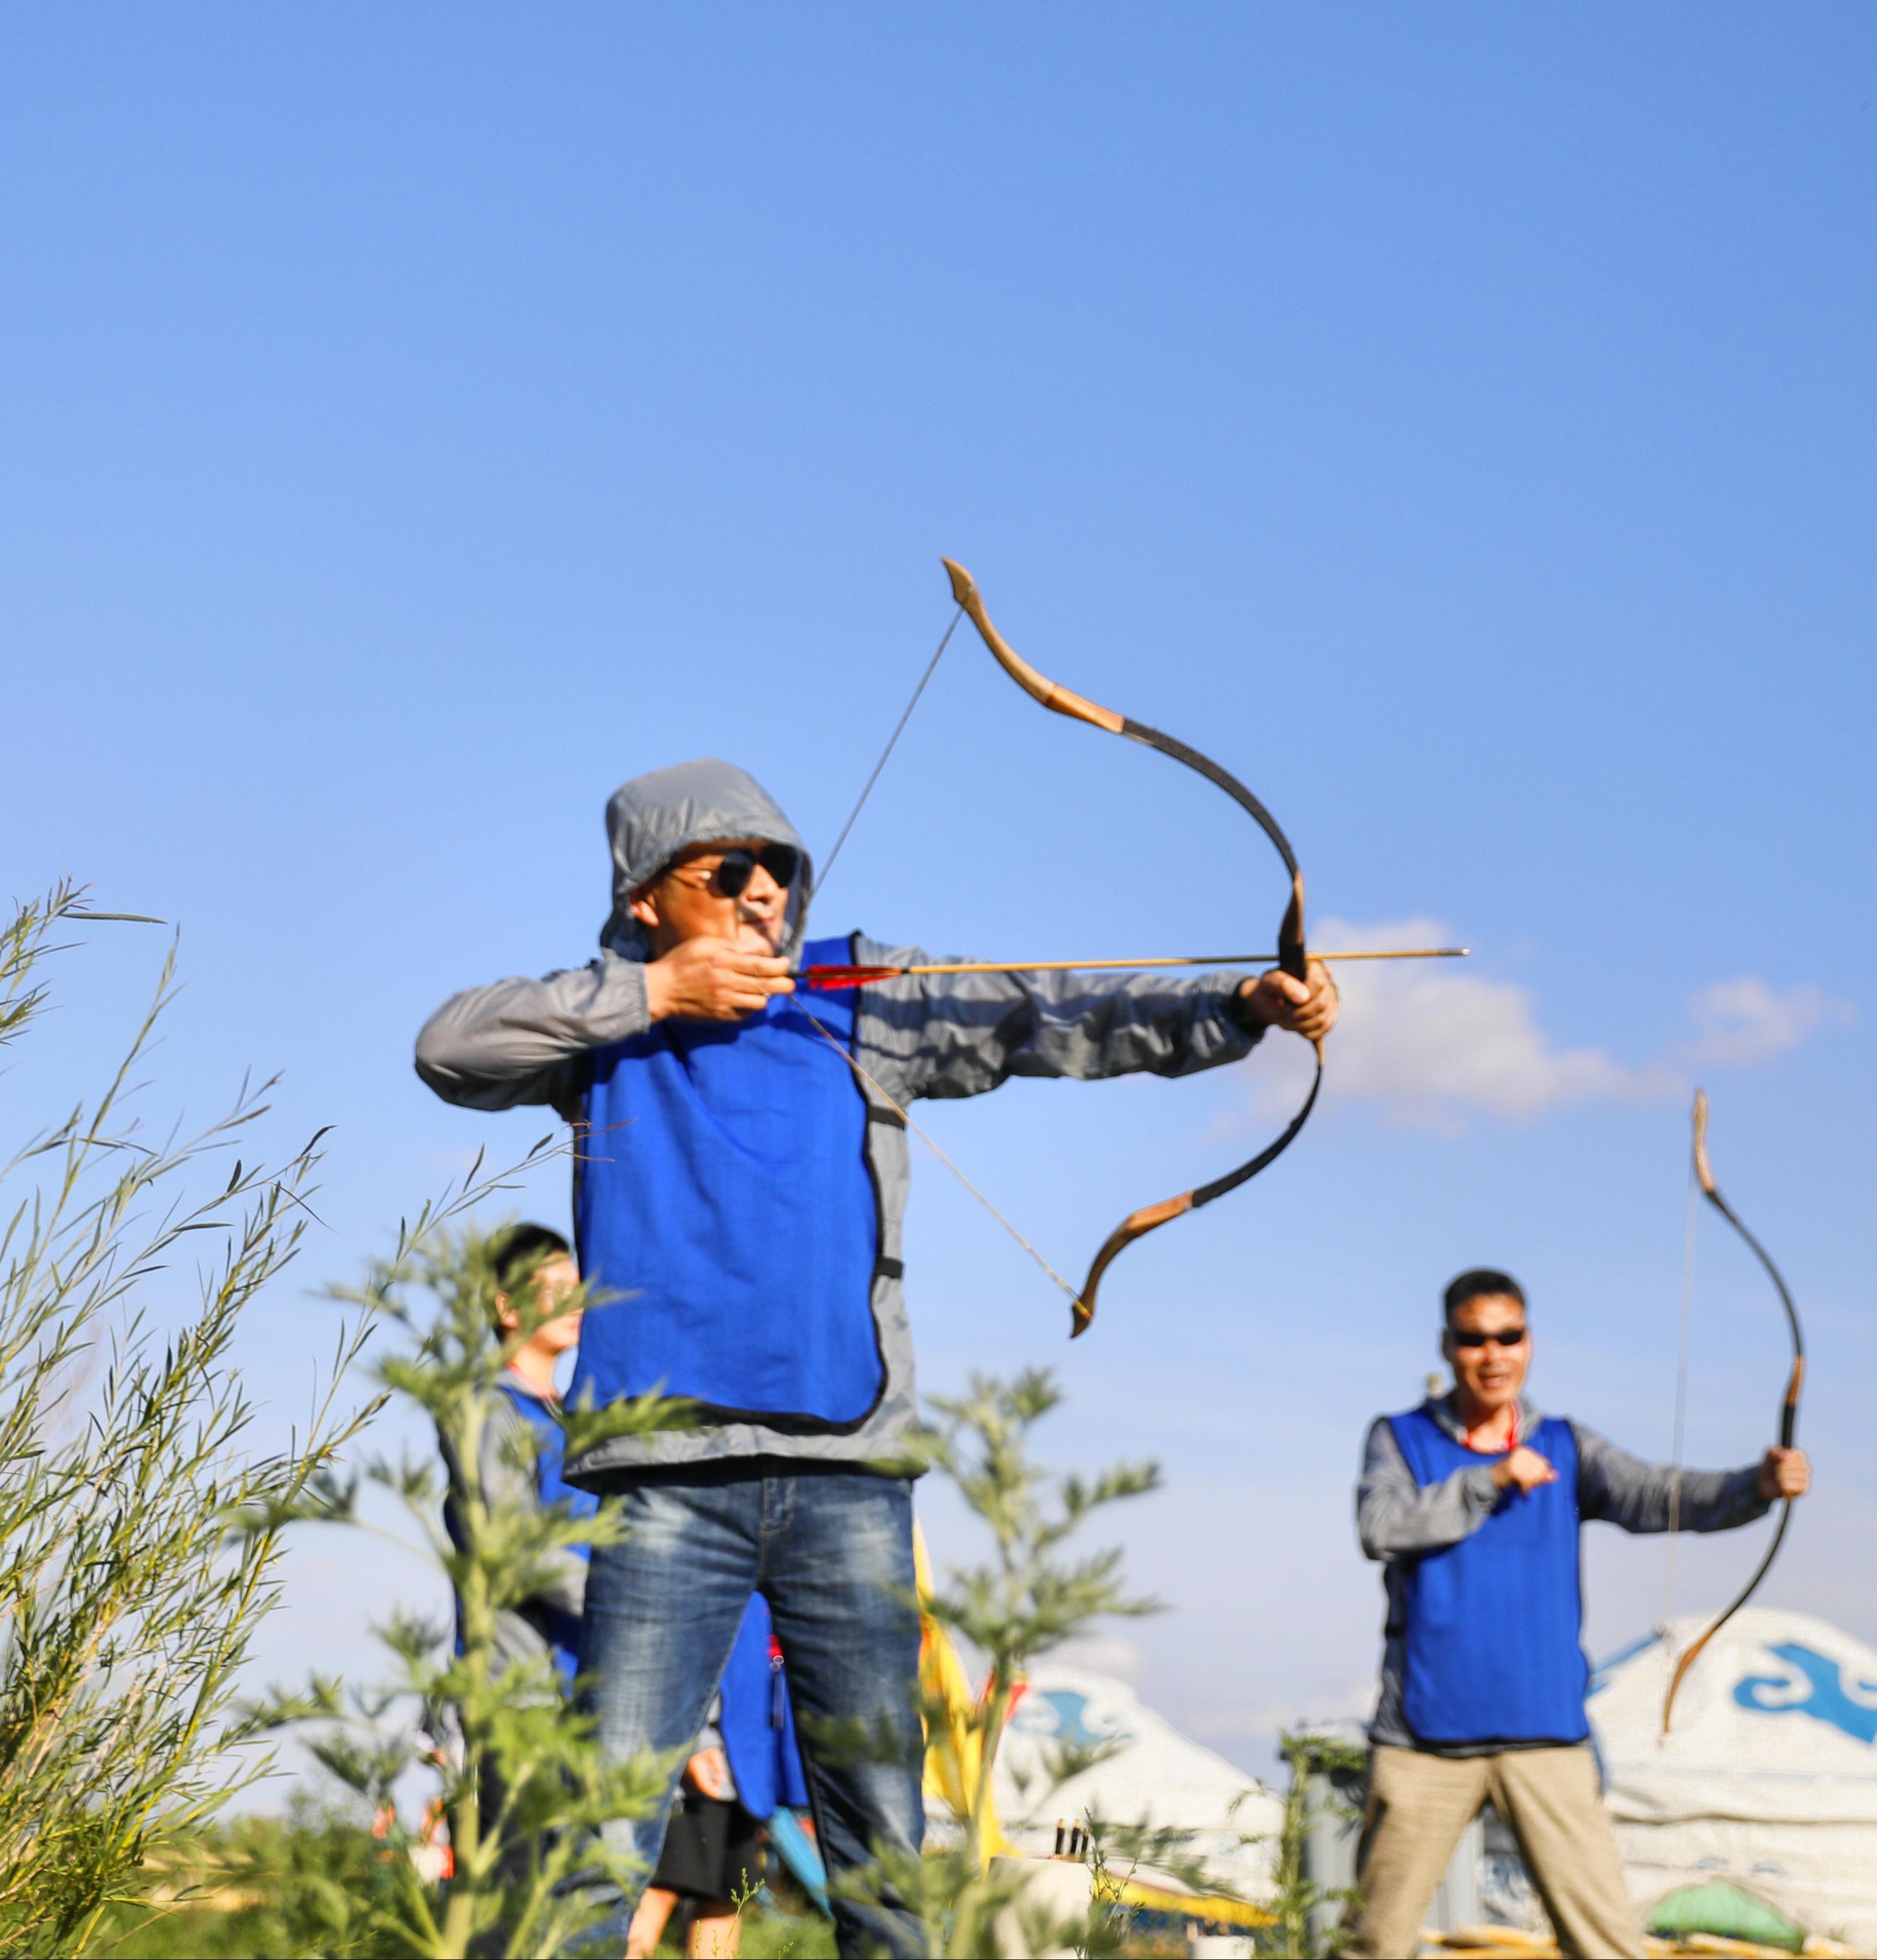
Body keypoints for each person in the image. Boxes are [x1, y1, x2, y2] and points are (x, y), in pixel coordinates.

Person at [415, 757, 1334, 1955]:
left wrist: (1235, 1009)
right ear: (645, 897)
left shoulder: (860, 994)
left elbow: (1047, 1009)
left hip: (849, 1476)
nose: (765, 896)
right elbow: (447, 1048)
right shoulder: (602, 1022)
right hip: (660, 1481)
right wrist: (656, 995)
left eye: (780, 872)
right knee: (597, 1843)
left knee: (882, 1857)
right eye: (730, 872)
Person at [1347, 1267, 1815, 1959]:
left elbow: (1658, 1495)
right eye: (1475, 1340)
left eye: (1509, 1337)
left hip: (1548, 1737)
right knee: (1373, 1944)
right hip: (1423, 1740)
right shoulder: (1401, 1437)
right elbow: (1379, 1525)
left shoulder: (1566, 1445)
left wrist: (1758, 1485)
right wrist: (1492, 1479)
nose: (1493, 1355)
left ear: (1529, 1343)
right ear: (1447, 1346)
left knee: (1608, 1947)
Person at [438, 1223, 599, 1684]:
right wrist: (625, 1605)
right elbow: (516, 1542)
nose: (575, 1304)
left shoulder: (572, 1415)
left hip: (583, 1675)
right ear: (506, 1306)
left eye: (577, 1289)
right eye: (556, 1290)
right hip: (525, 1686)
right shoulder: (489, 1406)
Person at [625, 1595, 814, 1959]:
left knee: (726, 1898)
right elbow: (676, 1653)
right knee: (658, 1891)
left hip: (744, 1770)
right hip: (691, 1762)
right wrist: (692, 1741)